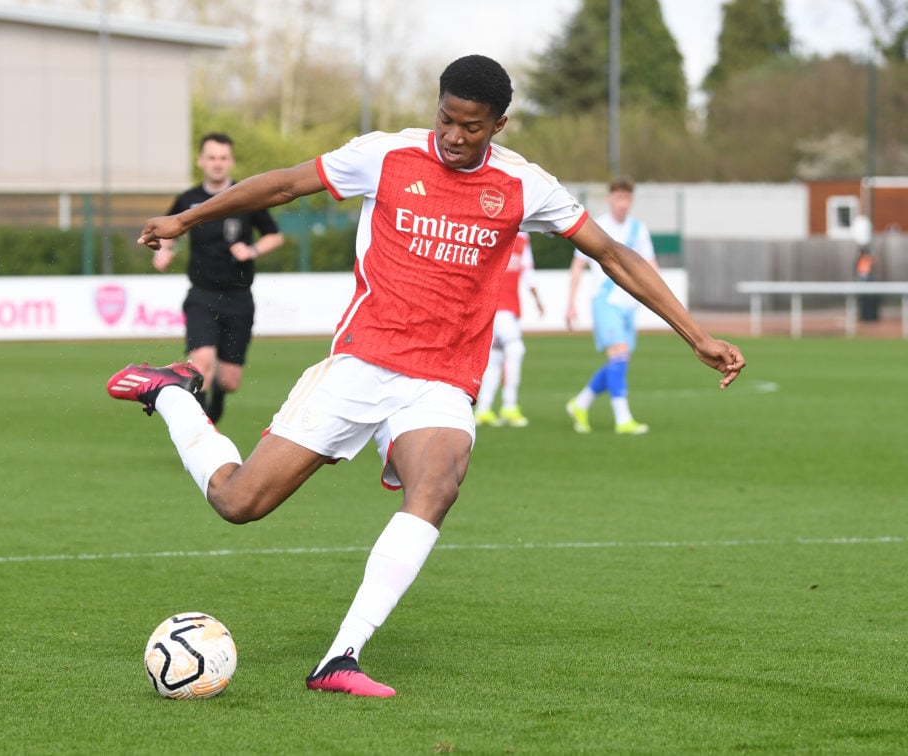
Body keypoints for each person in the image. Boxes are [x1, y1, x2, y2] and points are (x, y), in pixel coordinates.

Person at [107, 55, 745, 698]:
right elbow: (281, 185)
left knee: (438, 484)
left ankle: (340, 657)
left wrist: (697, 335)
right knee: (239, 502)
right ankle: (170, 394)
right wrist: (186, 221)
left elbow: (610, 253)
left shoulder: (525, 185)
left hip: (442, 379)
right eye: (446, 118)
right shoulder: (385, 156)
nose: (454, 136)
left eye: (472, 126)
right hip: (363, 361)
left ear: (499, 124)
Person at [152, 133, 285, 423]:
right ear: (201, 161)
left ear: (231, 161)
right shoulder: (188, 200)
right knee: (201, 366)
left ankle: (217, 403)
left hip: (239, 299)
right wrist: (163, 251)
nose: (217, 163)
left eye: (223, 158)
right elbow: (168, 232)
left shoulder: (247, 197)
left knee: (228, 380)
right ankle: (201, 428)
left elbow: (275, 236)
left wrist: (252, 250)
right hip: (202, 295)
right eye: (211, 157)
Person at [565, 177, 658, 435]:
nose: (622, 203)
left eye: (627, 198)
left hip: (629, 305)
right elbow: (578, 265)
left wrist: (660, 300)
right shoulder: (597, 227)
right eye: (618, 198)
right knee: (618, 356)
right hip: (604, 302)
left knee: (620, 361)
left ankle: (579, 403)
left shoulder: (639, 230)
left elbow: (650, 266)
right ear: (610, 199)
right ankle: (623, 419)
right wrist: (571, 303)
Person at [474, 231, 545, 427]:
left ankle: (484, 409)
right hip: (495, 307)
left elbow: (527, 270)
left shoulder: (523, 237)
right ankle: (509, 406)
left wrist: (537, 299)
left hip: (505, 307)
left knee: (495, 357)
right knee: (515, 349)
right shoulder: (491, 228)